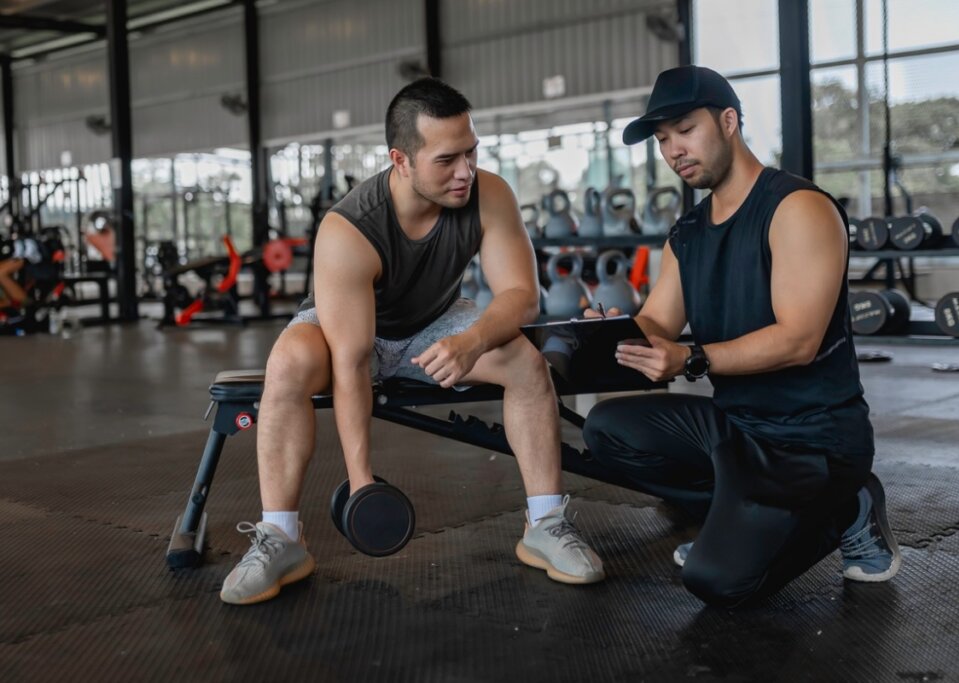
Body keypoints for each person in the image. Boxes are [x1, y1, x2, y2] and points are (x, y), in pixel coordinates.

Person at [220, 78, 605, 605]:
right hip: (350, 329)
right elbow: (353, 360)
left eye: (471, 152)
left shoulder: (487, 194)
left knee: (524, 363)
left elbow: (521, 295)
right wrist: (361, 486)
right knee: (287, 362)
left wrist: (471, 341)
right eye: (447, 160)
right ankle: (281, 538)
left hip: (436, 322)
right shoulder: (350, 228)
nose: (466, 171)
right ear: (401, 160)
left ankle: (545, 525)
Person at [582, 66, 901, 608]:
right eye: (662, 140)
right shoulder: (686, 233)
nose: (673, 150)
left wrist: (690, 359)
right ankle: (735, 519)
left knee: (720, 582)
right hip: (737, 430)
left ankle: (850, 505)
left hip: (813, 441)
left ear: (728, 120)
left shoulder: (797, 209)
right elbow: (656, 322)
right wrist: (610, 333)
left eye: (685, 129)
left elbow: (798, 339)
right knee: (606, 428)